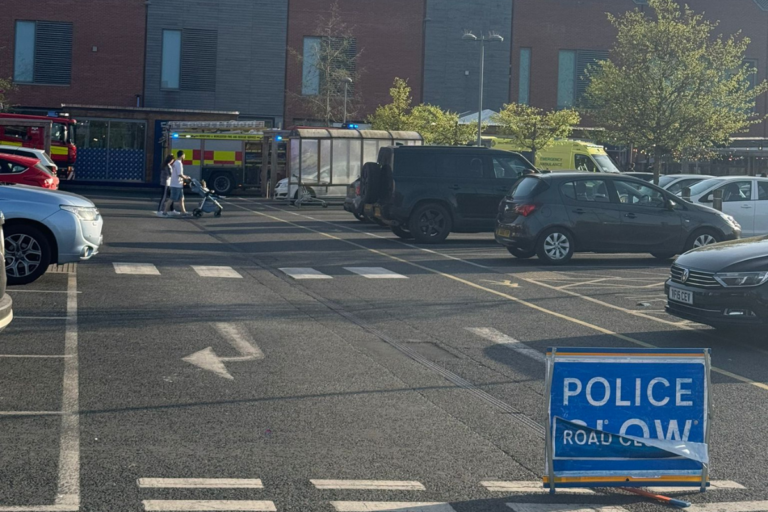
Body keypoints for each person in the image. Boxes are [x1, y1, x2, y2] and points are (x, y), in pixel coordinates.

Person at [163, 150, 191, 216]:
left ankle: (183, 212)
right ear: (182, 155)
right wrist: (186, 178)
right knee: (172, 198)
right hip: (176, 185)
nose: (184, 156)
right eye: (184, 155)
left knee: (181, 198)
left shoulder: (176, 162)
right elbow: (180, 174)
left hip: (178, 184)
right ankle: (165, 211)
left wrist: (185, 176)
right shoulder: (179, 163)